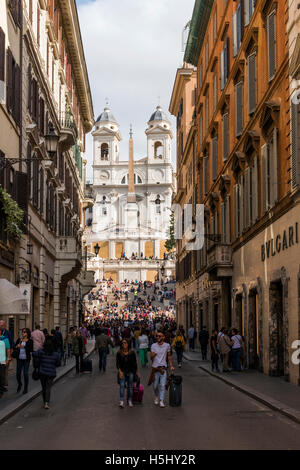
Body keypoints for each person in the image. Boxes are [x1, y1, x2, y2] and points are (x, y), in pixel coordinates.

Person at [149, 329, 175, 408]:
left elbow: (169, 356)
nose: (158, 337)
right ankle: (156, 396)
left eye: (159, 336)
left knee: (163, 385)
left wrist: (171, 365)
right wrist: (153, 354)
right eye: (157, 336)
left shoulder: (167, 345)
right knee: (155, 386)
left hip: (163, 368)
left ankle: (161, 400)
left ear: (163, 337)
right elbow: (151, 357)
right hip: (155, 368)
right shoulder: (153, 345)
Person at [33, 337, 60, 409]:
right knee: (48, 388)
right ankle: (46, 403)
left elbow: (34, 354)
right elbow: (58, 364)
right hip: (51, 373)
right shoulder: (56, 354)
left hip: (42, 372)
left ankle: (45, 400)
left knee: (44, 387)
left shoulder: (41, 352)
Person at [116, 338, 137, 408]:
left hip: (130, 372)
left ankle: (130, 400)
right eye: (122, 343)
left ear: (128, 344)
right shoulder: (119, 353)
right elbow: (117, 364)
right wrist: (120, 372)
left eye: (125, 343)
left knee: (130, 387)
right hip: (122, 371)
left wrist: (135, 372)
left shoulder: (132, 353)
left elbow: (134, 363)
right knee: (122, 386)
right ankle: (121, 401)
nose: (124, 344)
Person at [15, 328, 33, 394]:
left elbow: (31, 349)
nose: (23, 333)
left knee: (25, 373)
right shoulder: (19, 340)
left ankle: (25, 388)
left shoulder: (30, 341)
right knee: (18, 375)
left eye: (24, 332)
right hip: (19, 359)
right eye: (22, 332)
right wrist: (17, 346)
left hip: (26, 360)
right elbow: (14, 346)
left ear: (27, 333)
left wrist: (24, 347)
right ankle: (20, 384)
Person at [0, 320, 13, 391]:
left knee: (5, 372)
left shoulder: (8, 333)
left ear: (4, 326)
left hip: (5, 356)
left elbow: (11, 345)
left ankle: (5, 385)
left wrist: (9, 357)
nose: (0, 327)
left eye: (1, 325)